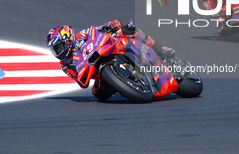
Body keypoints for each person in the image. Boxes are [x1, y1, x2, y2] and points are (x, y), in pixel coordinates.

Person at [46, 19, 176, 101]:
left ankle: (159, 49)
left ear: (67, 39)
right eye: (54, 50)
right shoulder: (65, 65)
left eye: (59, 47)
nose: (58, 52)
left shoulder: (82, 35)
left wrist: (111, 26)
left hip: (107, 49)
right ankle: (130, 85)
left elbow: (97, 30)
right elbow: (81, 81)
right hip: (97, 71)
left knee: (129, 29)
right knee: (99, 94)